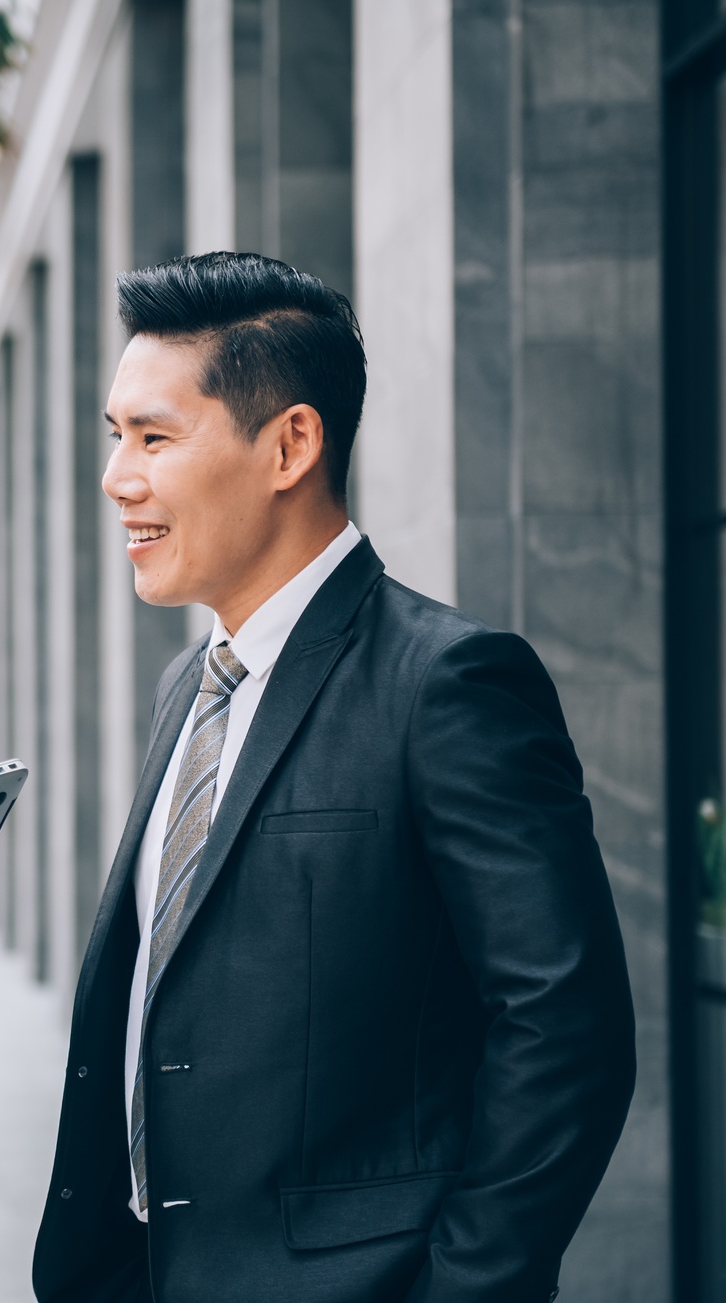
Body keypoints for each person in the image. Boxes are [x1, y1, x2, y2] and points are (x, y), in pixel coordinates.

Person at [32, 252, 636, 1303]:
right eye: (114, 436)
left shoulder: (448, 683)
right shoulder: (188, 685)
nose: (117, 477)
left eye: (154, 438)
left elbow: (564, 1028)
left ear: (290, 446)